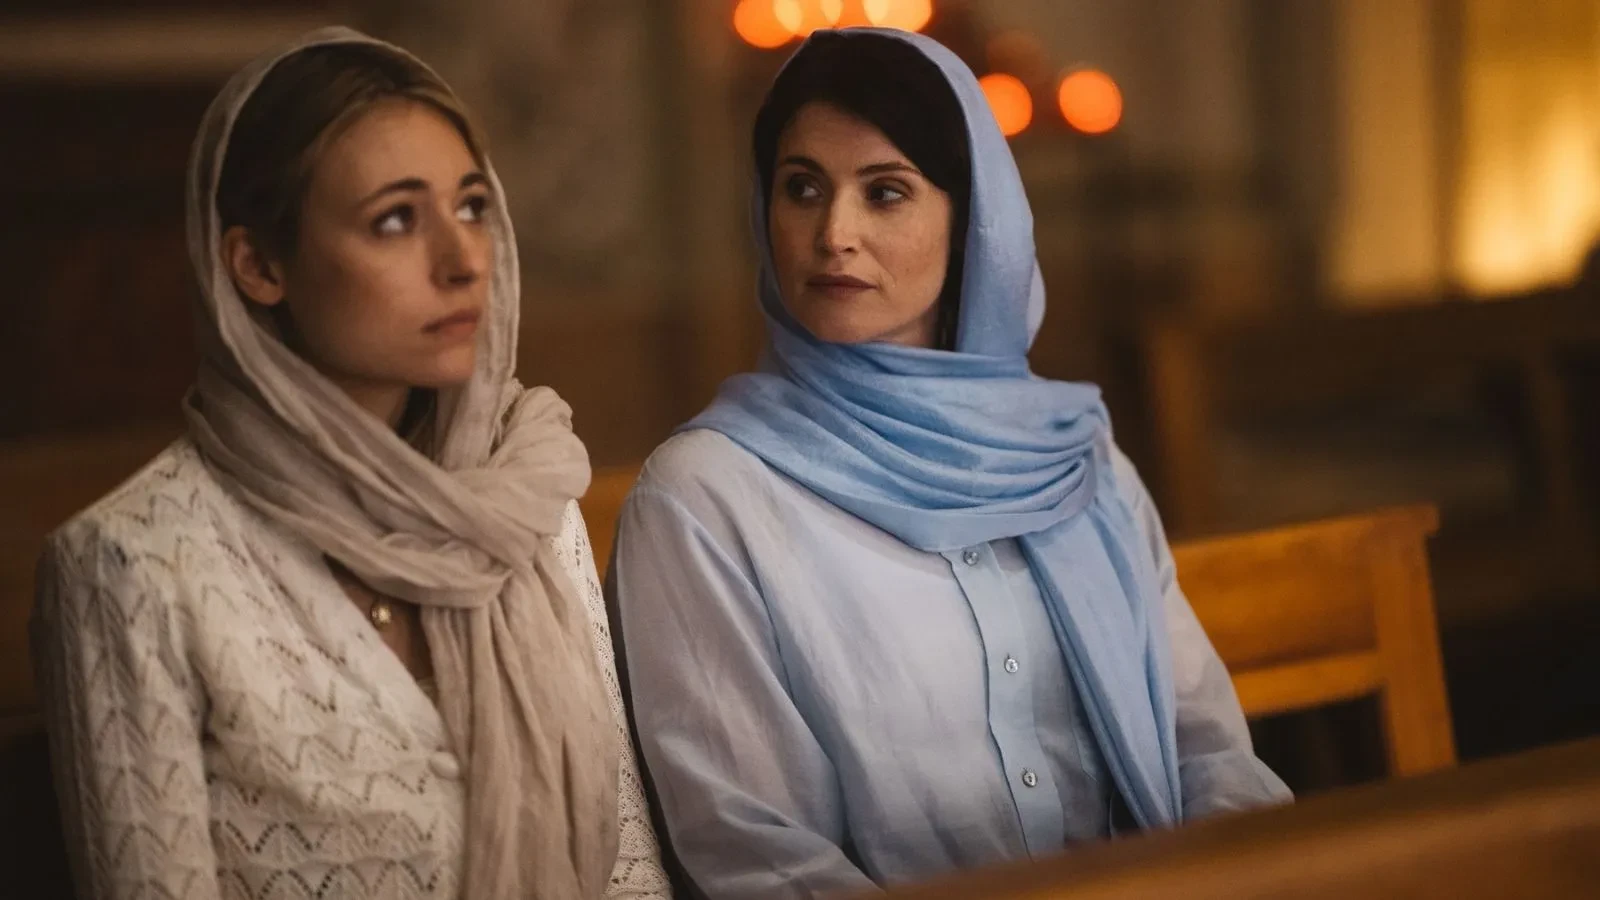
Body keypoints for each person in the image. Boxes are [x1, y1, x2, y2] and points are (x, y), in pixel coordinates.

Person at [609, 28, 1290, 898]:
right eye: (801, 188)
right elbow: (760, 856)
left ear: (973, 223)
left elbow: (1211, 758)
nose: (833, 234)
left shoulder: (1076, 458)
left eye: (885, 192)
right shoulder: (706, 499)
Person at [31, 27, 669, 900]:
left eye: (474, 205)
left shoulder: (525, 496)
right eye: (396, 219)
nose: (462, 260)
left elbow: (629, 870)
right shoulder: (132, 567)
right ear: (257, 266)